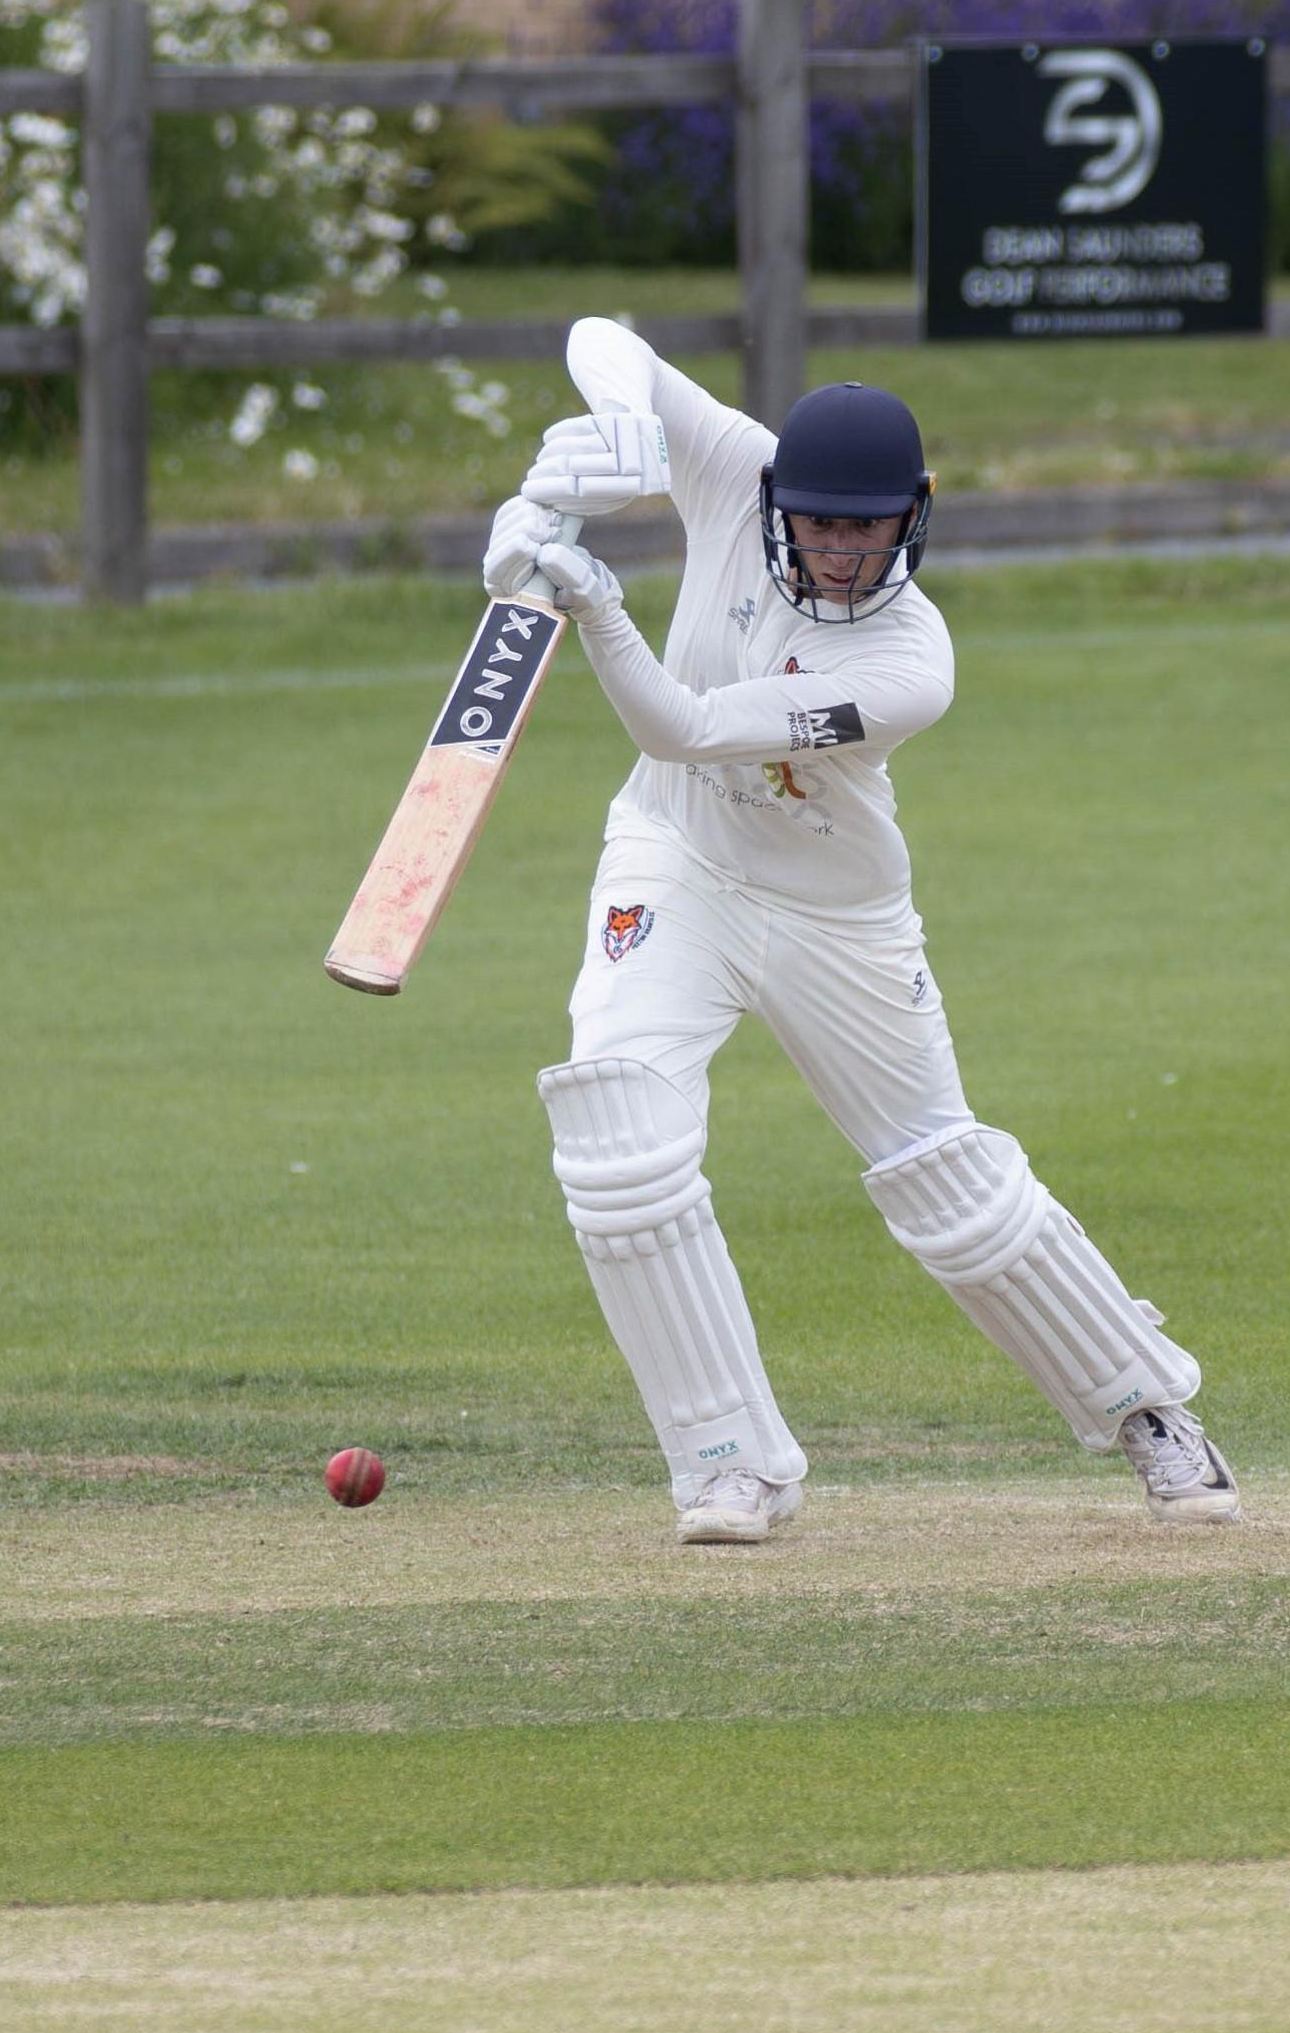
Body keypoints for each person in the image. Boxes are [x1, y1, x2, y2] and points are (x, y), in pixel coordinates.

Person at [481, 322, 1237, 1545]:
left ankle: (1150, 1406)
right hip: (675, 861)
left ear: (915, 514)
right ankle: (729, 1463)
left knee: (948, 1183)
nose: (838, 548)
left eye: (866, 524)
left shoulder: (908, 660)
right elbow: (599, 335)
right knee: (617, 1144)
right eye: (820, 521)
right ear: (779, 495)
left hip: (838, 916)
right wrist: (614, 445)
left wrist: (593, 600)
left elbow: (679, 723)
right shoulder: (737, 467)